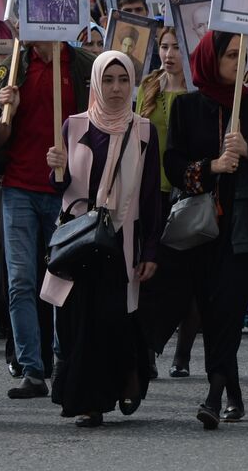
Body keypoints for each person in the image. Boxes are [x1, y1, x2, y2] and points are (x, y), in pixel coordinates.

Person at [164, 31, 248, 428]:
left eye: (243, 56)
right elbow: (173, 166)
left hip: (243, 230)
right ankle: (232, 391)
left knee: (229, 308)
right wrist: (211, 167)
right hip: (200, 230)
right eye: (230, 55)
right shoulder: (185, 107)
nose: (237, 64)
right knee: (209, 309)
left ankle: (213, 396)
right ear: (210, 59)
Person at [41, 50, 162, 427]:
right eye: (107, 80)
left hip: (119, 241)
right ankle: (87, 400)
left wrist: (150, 249)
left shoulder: (142, 130)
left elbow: (150, 195)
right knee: (76, 321)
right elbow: (61, 188)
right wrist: (55, 170)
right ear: (95, 82)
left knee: (112, 319)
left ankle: (116, 386)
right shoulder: (74, 126)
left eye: (123, 80)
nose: (115, 88)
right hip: (79, 240)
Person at [0, 40, 95, 400]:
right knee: (20, 280)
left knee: (61, 279)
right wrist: (9, 112)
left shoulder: (82, 66)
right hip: (18, 188)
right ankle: (32, 369)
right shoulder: (11, 67)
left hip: (65, 190)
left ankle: (62, 362)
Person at [136, 27, 201, 378]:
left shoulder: (196, 91)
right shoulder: (149, 86)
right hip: (151, 193)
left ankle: (183, 353)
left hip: (186, 193)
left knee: (186, 278)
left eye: (177, 46)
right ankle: (147, 348)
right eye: (164, 46)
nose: (169, 53)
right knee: (149, 273)